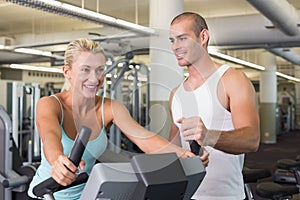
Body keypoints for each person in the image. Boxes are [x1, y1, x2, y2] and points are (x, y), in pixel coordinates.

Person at [27, 38, 208, 200]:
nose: (94, 78)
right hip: (46, 194)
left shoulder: (109, 107)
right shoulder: (50, 104)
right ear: (67, 72)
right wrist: (58, 160)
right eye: (85, 70)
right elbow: (49, 136)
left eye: (99, 70)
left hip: (87, 194)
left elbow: (144, 137)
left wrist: (184, 154)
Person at [168, 12, 260, 200]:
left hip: (227, 196)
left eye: (182, 38)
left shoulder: (232, 80)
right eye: (172, 40)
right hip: (187, 195)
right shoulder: (176, 94)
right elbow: (173, 148)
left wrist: (208, 136)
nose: (175, 46)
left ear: (203, 37)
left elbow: (252, 140)